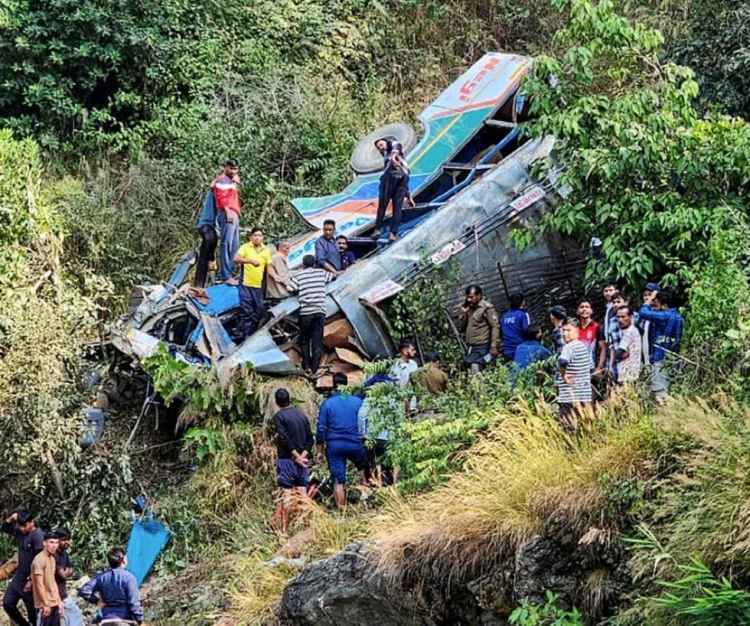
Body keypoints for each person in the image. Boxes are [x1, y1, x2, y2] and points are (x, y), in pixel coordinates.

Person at [316, 373, 368, 510]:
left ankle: (341, 515)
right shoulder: (357, 402)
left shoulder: (327, 404)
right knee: (362, 470)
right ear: (347, 384)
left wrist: (319, 450)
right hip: (355, 442)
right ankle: (365, 504)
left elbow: (321, 429)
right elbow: (366, 420)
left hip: (335, 445)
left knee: (338, 480)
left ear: (333, 385)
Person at [273, 388, 313, 535]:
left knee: (287, 494)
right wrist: (303, 456)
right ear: (289, 399)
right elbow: (310, 438)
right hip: (302, 462)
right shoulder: (301, 415)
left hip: (287, 461)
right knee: (303, 494)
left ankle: (284, 531)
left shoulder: (279, 417)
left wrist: (296, 456)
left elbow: (284, 438)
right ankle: (307, 528)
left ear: (276, 402)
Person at [289, 255, 334, 374]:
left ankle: (306, 364)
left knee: (304, 339)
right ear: (314, 264)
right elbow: (332, 276)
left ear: (303, 265)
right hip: (320, 311)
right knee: (317, 339)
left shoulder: (299, 275)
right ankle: (315, 368)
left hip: (306, 312)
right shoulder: (321, 273)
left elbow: (290, 288)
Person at [638, 291, 684, 401]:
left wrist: (649, 300)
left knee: (660, 393)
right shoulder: (678, 317)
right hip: (673, 357)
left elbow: (643, 312)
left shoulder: (666, 315)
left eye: (656, 305)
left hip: (661, 357)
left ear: (664, 305)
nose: (653, 308)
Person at [78, 547, 143, 625]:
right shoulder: (129, 578)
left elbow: (84, 590)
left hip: (106, 620)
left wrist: (97, 601)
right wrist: (140, 621)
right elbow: (134, 603)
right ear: (123, 560)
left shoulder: (101, 577)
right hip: (124, 619)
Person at [234, 228, 278, 340]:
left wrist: (276, 277)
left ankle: (251, 333)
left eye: (259, 235)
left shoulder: (265, 250)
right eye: (254, 235)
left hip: (257, 286)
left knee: (259, 310)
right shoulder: (245, 247)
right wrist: (249, 261)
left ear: (262, 237)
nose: (257, 237)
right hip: (245, 285)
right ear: (251, 237)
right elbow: (236, 258)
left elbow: (269, 266)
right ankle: (245, 336)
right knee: (246, 311)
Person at [2, 510, 44, 626]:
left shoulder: (37, 536)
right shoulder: (21, 532)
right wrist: (11, 518)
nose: (22, 529)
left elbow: (39, 561)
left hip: (31, 580)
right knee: (7, 603)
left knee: (33, 613)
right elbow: (5, 528)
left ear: (32, 522)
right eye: (20, 526)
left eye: (25, 526)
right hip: (19, 577)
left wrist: (31, 579)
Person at [371, 139, 413, 243]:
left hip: (391, 175)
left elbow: (396, 146)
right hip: (403, 177)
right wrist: (408, 196)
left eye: (381, 144)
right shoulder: (388, 156)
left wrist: (394, 157)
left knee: (383, 204)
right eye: (378, 148)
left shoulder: (391, 146)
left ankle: (377, 230)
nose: (380, 148)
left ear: (386, 142)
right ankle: (393, 234)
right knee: (397, 206)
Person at [557, 318, 594, 425]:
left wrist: (563, 375)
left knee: (568, 428)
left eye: (569, 330)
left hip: (569, 396)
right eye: (563, 330)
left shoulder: (569, 347)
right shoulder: (582, 346)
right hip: (584, 395)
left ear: (577, 331)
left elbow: (562, 361)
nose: (565, 333)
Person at [458, 285, 500, 373]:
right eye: (467, 297)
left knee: (477, 366)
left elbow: (495, 326)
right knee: (473, 367)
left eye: (471, 297)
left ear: (479, 296)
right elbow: (462, 328)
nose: (469, 300)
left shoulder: (486, 308)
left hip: (483, 345)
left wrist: (493, 346)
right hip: (472, 346)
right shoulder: (469, 308)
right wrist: (463, 314)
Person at [213, 159, 241, 284]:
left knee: (234, 244)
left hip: (234, 212)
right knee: (227, 243)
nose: (233, 171)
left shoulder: (231, 181)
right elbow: (220, 196)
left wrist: (235, 180)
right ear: (226, 167)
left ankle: (228, 272)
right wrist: (227, 210)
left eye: (235, 169)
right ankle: (224, 274)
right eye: (231, 168)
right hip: (227, 212)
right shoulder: (222, 179)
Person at [30, 532, 63, 626]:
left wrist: (59, 600)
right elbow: (38, 584)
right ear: (44, 543)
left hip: (54, 602)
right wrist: (45, 604)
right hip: (44, 605)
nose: (54, 546)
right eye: (51, 542)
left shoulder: (52, 559)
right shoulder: (39, 559)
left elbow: (52, 581)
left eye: (56, 543)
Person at [53, 529, 82, 626]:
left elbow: (71, 569)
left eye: (68, 540)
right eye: (64, 540)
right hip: (54, 596)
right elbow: (63, 574)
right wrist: (67, 571)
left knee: (75, 613)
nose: (67, 542)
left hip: (63, 595)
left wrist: (67, 571)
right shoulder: (54, 556)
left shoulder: (65, 554)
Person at [194, 185, 218, 290]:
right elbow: (213, 184)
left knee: (207, 247)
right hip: (206, 225)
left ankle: (199, 283)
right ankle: (212, 259)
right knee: (210, 239)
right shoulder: (220, 186)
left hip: (212, 227)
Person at [612, 306, 642, 385]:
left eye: (623, 317)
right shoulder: (627, 330)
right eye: (618, 317)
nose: (620, 320)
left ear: (630, 317)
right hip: (627, 373)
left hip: (628, 374)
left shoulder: (630, 332)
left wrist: (616, 354)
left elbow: (619, 353)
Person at [501, 292, 531, 362]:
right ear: (522, 302)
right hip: (521, 350)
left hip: (507, 351)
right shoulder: (523, 315)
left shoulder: (505, 317)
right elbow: (528, 331)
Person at [639, 282, 660, 366]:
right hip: (645, 358)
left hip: (656, 359)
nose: (647, 298)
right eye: (645, 295)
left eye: (650, 295)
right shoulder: (643, 316)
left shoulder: (659, 314)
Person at [575, 299, 600, 366]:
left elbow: (603, 348)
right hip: (577, 366)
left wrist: (600, 366)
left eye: (587, 307)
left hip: (592, 366)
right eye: (581, 307)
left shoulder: (597, 327)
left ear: (591, 311)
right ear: (577, 311)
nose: (584, 309)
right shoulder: (574, 329)